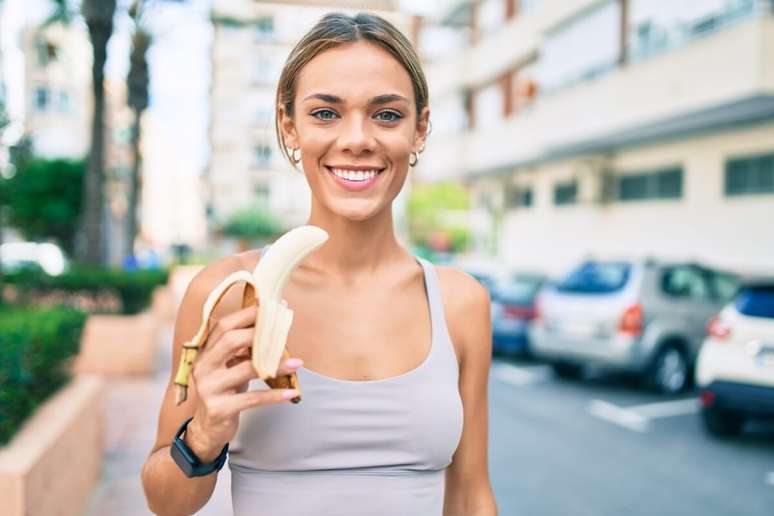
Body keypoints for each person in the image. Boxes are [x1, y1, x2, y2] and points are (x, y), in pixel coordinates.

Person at [141, 12, 497, 516]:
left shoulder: (461, 302)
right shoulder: (224, 293)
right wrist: (203, 434)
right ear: (290, 127)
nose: (357, 139)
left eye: (387, 115)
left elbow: (471, 494)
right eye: (326, 113)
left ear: (420, 130)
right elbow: (164, 502)